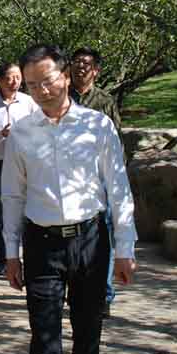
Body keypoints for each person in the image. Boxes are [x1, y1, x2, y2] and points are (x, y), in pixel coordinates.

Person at [2, 44, 137, 354]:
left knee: (88, 331)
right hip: (41, 243)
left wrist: (125, 248)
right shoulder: (21, 133)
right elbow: (12, 195)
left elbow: (118, 188)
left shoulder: (97, 126)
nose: (41, 91)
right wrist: (11, 253)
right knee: (44, 335)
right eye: (32, 85)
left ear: (65, 76)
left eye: (47, 80)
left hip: (90, 240)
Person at [69, 47, 121, 317]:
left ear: (96, 71)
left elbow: (117, 143)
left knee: (104, 238)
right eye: (76, 62)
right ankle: (74, 292)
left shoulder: (105, 101)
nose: (81, 67)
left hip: (100, 179)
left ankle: (104, 295)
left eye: (86, 64)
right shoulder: (62, 98)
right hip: (68, 180)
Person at [0, 61, 38, 276]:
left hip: (25, 164)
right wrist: (1, 134)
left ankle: (30, 260)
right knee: (0, 215)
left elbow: (40, 129)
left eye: (18, 77)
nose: (14, 82)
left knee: (29, 213)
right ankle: (3, 261)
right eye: (9, 78)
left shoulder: (29, 102)